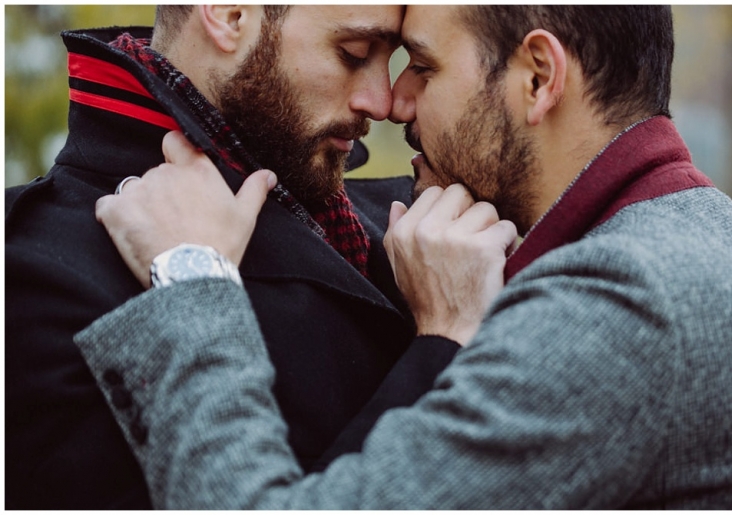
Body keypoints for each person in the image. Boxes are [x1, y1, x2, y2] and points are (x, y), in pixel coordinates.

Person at [74, 5, 732, 509]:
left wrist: (191, 278)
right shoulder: (683, 250)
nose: (395, 103)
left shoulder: (623, 306)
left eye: (423, 67)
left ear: (538, 77)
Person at [5, 5, 463, 509]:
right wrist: (443, 343)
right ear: (228, 15)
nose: (382, 102)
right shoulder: (29, 274)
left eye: (394, 59)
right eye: (352, 54)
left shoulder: (413, 224)